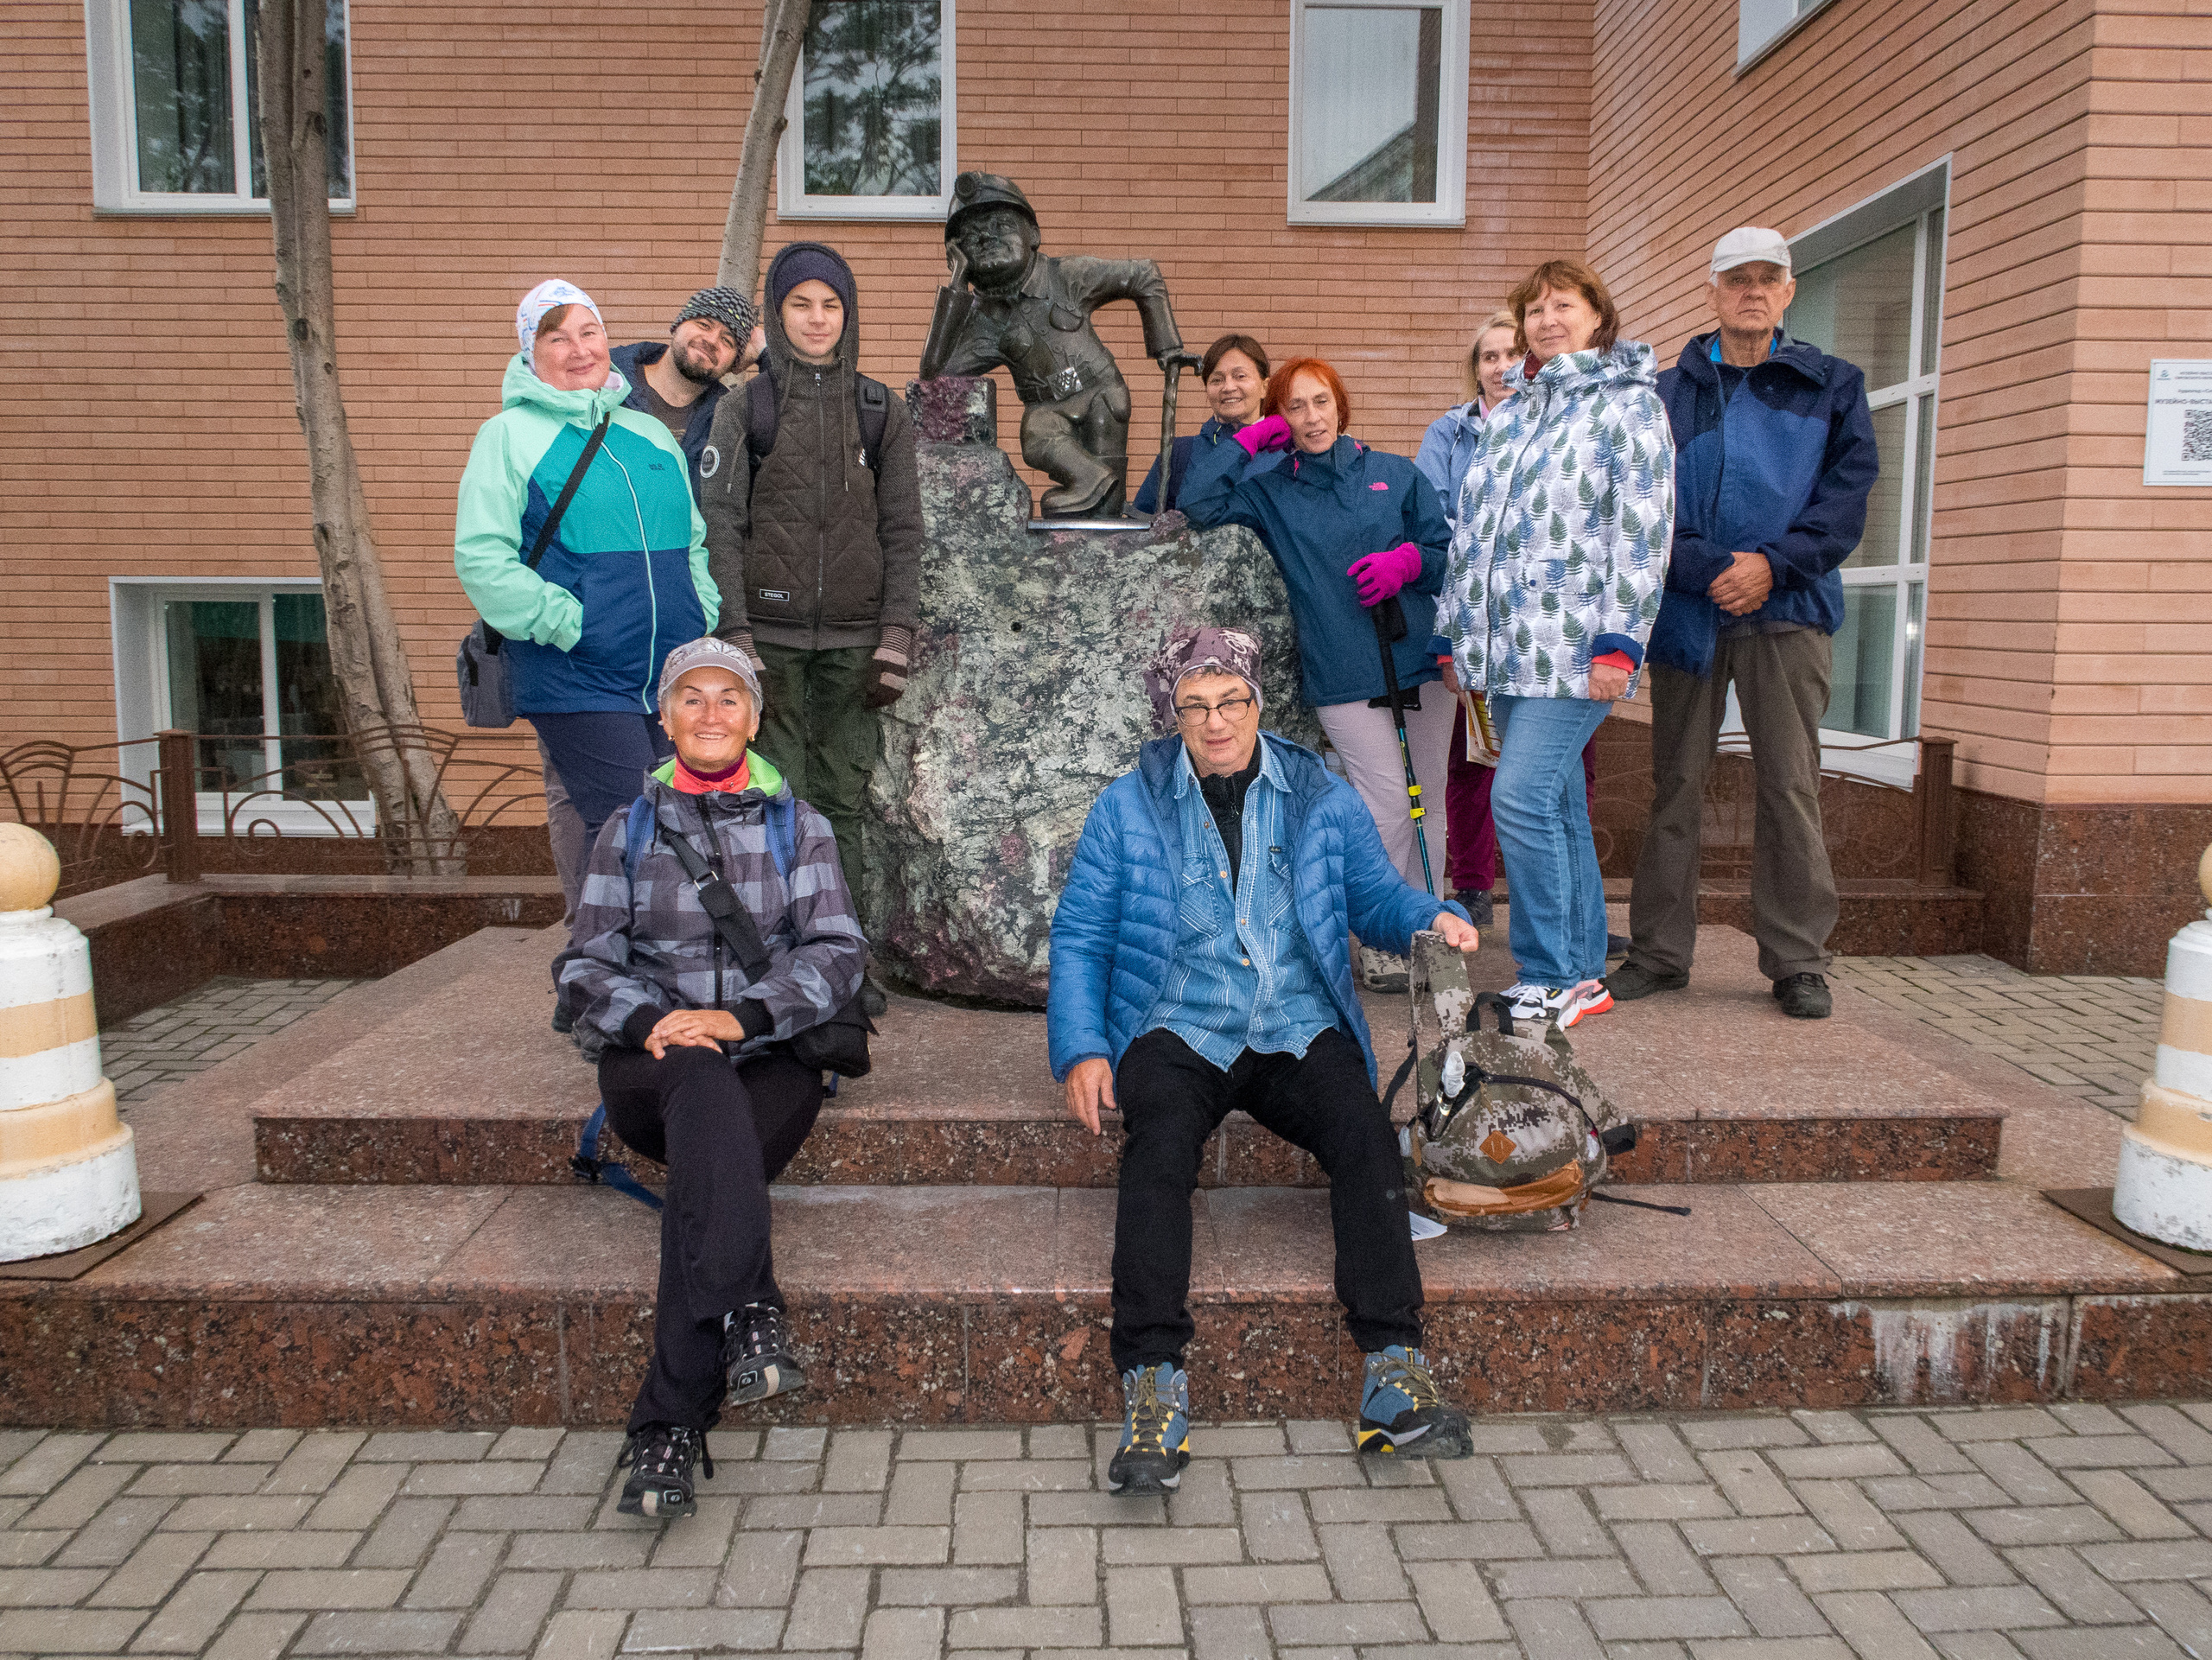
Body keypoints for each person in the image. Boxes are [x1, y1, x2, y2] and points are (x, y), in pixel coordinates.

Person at [1047, 625, 1480, 1494]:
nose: (1216, 722)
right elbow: (1082, 936)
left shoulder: (1316, 792)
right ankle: (1151, 1382)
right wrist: (1082, 1049)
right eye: (1195, 706)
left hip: (1291, 1019)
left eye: (1232, 701)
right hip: (1178, 1022)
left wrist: (1429, 916)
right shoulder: (1125, 806)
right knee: (1160, 1143)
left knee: (1363, 1130)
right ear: (1171, 716)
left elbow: (1372, 895)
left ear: (1256, 704)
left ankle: (1392, 1372)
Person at [554, 636, 866, 1519]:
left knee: (708, 1175)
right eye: (691, 697)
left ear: (754, 718)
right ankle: (750, 1306)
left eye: (729, 698)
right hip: (651, 1070)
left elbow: (838, 952)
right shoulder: (630, 827)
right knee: (697, 1085)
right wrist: (658, 1024)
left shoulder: (796, 824)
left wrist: (745, 1018)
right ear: (665, 717)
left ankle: (667, 1427)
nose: (711, 714)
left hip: (771, 1062)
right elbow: (583, 965)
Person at [1610, 227, 1879, 1021]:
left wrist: (1771, 565)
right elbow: (1642, 504)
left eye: (1768, 279)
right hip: (1691, 614)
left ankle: (1797, 958)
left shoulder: (1832, 384)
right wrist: (1708, 568)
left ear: (1789, 291)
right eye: (1737, 279)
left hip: (1789, 611)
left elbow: (1846, 501)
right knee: (1676, 786)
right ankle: (1659, 952)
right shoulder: (1664, 393)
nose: (1752, 291)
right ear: (1713, 290)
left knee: (1790, 784)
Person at [1444, 259, 1674, 1029]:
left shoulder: (1628, 406)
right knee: (1560, 803)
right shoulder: (1513, 413)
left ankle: (1546, 972)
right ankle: (1580, 975)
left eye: (1562, 305)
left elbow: (1642, 528)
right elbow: (1475, 534)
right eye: (1533, 309)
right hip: (1509, 650)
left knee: (1520, 796)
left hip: (1577, 648)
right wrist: (1459, 633)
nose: (1546, 319)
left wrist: (1621, 640)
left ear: (1597, 316)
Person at [1179, 359, 1455, 990]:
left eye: (1321, 401)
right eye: (1295, 406)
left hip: (1416, 661)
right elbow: (1196, 503)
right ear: (1281, 417)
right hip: (1344, 668)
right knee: (1386, 801)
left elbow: (1446, 556)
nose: (1312, 417)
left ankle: (1429, 931)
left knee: (1428, 804)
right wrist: (1243, 443)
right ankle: (1381, 932)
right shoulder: (1271, 487)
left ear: (1341, 405)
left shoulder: (1393, 473)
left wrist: (1409, 561)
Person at [702, 243, 922, 1011]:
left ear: (848, 313)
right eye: (802, 304)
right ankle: (780, 964)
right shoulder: (746, 407)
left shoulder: (879, 408)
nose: (817, 318)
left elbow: (904, 530)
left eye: (831, 305)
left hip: (856, 647)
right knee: (775, 806)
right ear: (777, 312)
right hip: (771, 646)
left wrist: (896, 637)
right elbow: (720, 523)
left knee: (842, 809)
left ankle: (844, 965)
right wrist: (737, 636)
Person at [455, 279, 719, 855]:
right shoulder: (507, 437)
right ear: (531, 353)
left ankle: (615, 943)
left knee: (674, 828)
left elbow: (693, 540)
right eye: (557, 338)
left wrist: (699, 612)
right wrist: (570, 624)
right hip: (578, 676)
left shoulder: (648, 434)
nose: (579, 349)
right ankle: (619, 945)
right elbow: (482, 558)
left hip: (669, 678)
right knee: (636, 828)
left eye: (590, 331)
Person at [537, 289, 766, 916]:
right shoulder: (607, 383)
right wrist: (567, 617)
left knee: (667, 780)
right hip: (586, 626)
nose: (710, 341)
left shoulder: (731, 412)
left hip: (673, 628)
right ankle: (587, 929)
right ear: (677, 323)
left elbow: (794, 403)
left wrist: (763, 353)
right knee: (578, 791)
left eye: (728, 339)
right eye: (703, 324)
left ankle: (648, 928)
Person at [1414, 312, 1520, 926]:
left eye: (1513, 354)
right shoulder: (1449, 435)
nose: (1502, 366)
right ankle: (1474, 885)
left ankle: (1559, 902)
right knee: (1478, 756)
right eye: (1489, 355)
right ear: (1474, 366)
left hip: (1546, 626)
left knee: (1563, 768)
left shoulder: (1554, 425)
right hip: (1478, 622)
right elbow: (1433, 522)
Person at [1133, 334, 1274, 515]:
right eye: (1217, 379)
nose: (1228, 387)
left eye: (1240, 376)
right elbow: (1141, 526)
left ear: (1264, 386)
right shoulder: (1177, 454)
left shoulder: (1287, 455)